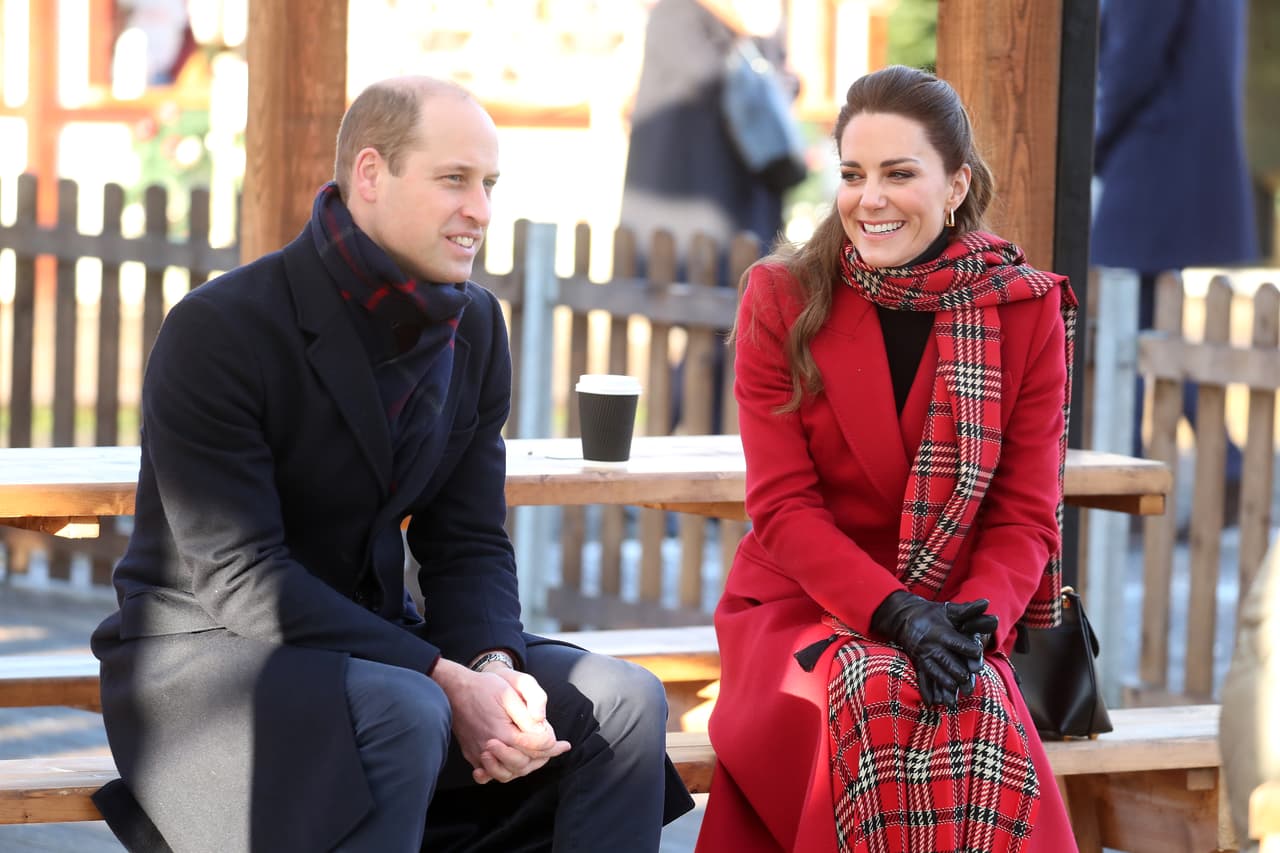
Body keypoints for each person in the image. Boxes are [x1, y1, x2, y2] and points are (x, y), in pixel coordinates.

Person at [89, 76, 693, 853]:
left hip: (380, 650)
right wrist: (448, 679)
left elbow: (468, 541)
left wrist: (492, 665)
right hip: (205, 663)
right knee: (409, 708)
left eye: (488, 185)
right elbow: (242, 578)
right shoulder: (221, 328)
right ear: (370, 175)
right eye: (454, 180)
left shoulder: (474, 325)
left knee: (623, 701)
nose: (480, 208)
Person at [695, 65, 1079, 852]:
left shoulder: (1025, 307)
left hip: (958, 611)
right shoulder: (782, 295)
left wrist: (970, 629)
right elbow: (783, 509)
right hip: (807, 604)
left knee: (970, 705)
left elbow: (1025, 514)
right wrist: (895, 614)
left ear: (954, 184)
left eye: (899, 173)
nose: (870, 199)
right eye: (853, 174)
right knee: (873, 688)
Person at [1091, 0, 1258, 524]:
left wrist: (1089, 142)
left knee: (1126, 330)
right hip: (1177, 155)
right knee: (1143, 330)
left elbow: (1132, 65)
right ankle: (1220, 467)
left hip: (1150, 156)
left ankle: (1120, 489)